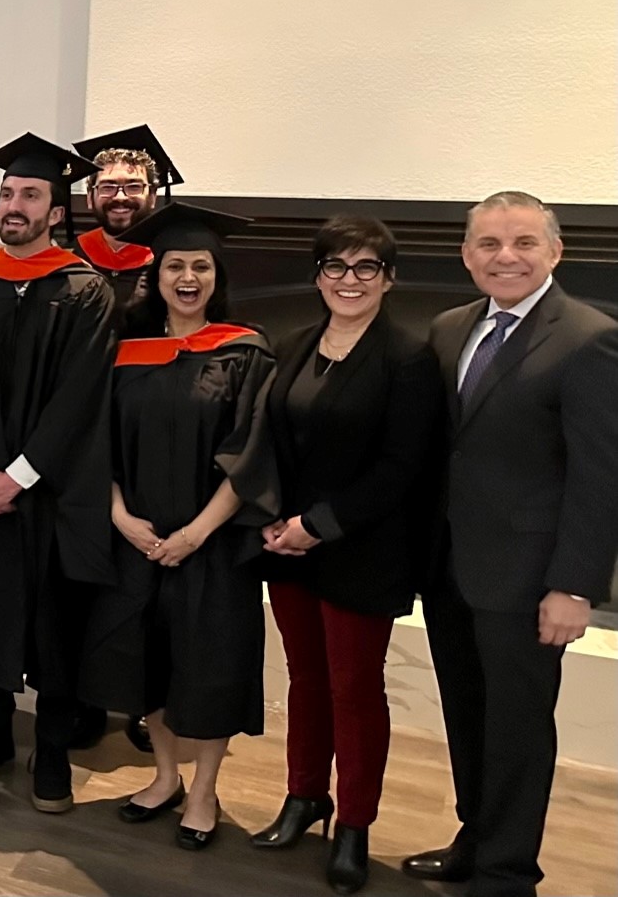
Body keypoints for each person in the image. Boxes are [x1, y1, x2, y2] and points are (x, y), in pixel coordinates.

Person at [405, 191, 618, 897]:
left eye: (524, 242)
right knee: (467, 715)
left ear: (555, 251)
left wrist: (575, 585)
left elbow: (599, 476)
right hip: (450, 569)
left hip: (529, 579)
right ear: (467, 255)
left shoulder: (589, 338)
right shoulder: (449, 328)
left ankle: (507, 873)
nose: (506, 257)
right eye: (490, 243)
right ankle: (475, 837)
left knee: (518, 730)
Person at [251, 216, 444, 893]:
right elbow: (272, 442)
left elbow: (402, 467)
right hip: (289, 547)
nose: (349, 279)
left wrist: (318, 524)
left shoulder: (408, 358)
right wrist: (273, 518)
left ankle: (355, 823)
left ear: (389, 279)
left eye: (366, 267)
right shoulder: (294, 345)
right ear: (318, 276)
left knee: (354, 690)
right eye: (335, 265)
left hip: (363, 550)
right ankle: (305, 795)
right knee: (305, 678)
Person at [78, 203, 278, 852]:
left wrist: (197, 532)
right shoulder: (123, 352)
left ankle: (203, 790)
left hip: (211, 543)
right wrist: (119, 516)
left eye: (200, 266)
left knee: (210, 665)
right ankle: (165, 776)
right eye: (174, 266)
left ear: (217, 276)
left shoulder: (245, 350)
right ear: (156, 275)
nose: (187, 278)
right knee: (148, 663)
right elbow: (96, 443)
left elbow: (254, 452)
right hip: (136, 538)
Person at [0, 133, 114, 813]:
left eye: (30, 195)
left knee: (55, 622)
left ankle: (55, 746)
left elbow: (80, 396)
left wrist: (17, 476)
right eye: (7, 193)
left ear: (56, 212)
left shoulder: (85, 290)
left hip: (51, 492)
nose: (13, 205)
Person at [71, 124, 180, 324]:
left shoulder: (171, 265)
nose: (120, 197)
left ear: (153, 196)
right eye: (107, 187)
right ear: (89, 197)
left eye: (133, 186)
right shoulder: (69, 261)